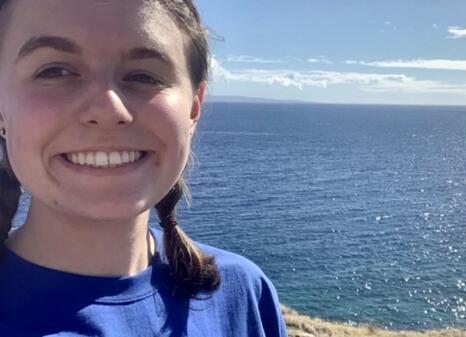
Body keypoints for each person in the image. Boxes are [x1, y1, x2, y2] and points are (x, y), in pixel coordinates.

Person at [0, 0, 288, 336]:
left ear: (193, 109)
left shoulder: (242, 295)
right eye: (54, 71)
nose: (108, 109)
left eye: (143, 75)